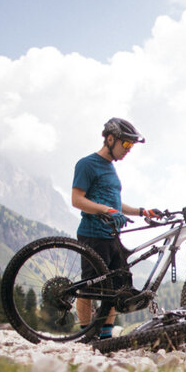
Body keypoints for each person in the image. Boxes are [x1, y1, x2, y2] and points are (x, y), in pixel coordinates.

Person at [72, 117, 157, 339]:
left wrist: (142, 211)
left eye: (131, 146)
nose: (128, 150)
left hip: (112, 237)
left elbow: (116, 205)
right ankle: (85, 335)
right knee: (88, 288)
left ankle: (106, 337)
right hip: (92, 235)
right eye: (126, 144)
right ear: (110, 139)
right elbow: (77, 200)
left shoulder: (111, 169)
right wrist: (106, 211)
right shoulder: (86, 164)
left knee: (115, 289)